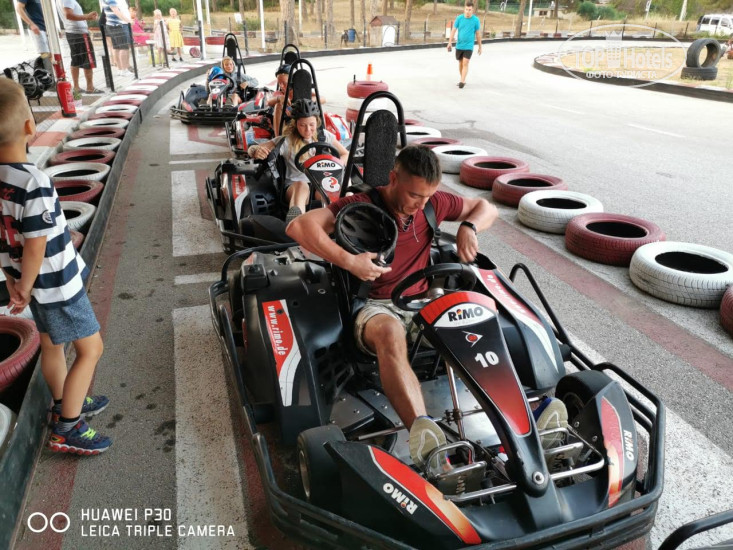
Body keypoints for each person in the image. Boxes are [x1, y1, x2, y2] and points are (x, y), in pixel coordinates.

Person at [287, 145, 568, 468]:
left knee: (475, 317)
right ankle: (426, 440)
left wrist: (468, 227)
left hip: (423, 301)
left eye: (427, 196)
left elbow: (484, 207)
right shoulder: (360, 205)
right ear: (394, 178)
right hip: (375, 306)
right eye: (414, 195)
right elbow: (299, 227)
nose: (421, 204)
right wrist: (349, 261)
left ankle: (525, 419)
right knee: (390, 332)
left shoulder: (433, 204)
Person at [0, 79, 112, 455]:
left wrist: (13, 281)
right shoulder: (33, 182)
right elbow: (36, 243)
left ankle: (65, 404)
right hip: (57, 284)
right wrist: (26, 284)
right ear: (29, 126)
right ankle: (69, 427)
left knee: (52, 344)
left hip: (30, 283)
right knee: (91, 349)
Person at [248, 98, 348, 225]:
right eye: (302, 125)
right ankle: (297, 223)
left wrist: (336, 167)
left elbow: (345, 154)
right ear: (295, 124)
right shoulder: (286, 141)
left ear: (317, 122)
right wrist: (255, 151)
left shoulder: (324, 136)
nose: (308, 130)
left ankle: (336, 222)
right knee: (302, 186)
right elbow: (254, 149)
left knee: (329, 188)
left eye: (311, 125)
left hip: (320, 182)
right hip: (294, 186)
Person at [56, 0, 103, 95]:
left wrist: (87, 17)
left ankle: (76, 87)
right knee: (87, 59)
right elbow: (68, 15)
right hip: (79, 32)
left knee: (75, 59)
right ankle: (90, 87)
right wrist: (87, 16)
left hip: (72, 32)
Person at [447, 2, 482, 89]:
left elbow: (478, 34)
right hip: (459, 45)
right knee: (460, 63)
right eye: (466, 9)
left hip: (469, 46)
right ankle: (462, 79)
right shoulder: (459, 18)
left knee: (465, 62)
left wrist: (480, 47)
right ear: (464, 9)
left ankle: (462, 81)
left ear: (472, 10)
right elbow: (453, 30)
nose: (467, 11)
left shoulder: (476, 20)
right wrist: (449, 42)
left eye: (469, 10)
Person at [15, 0, 52, 74]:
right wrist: (31, 24)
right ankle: (49, 76)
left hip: (48, 28)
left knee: (52, 55)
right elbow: (19, 8)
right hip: (38, 28)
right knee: (45, 55)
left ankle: (53, 76)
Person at [101, 0, 134, 77]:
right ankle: (124, 70)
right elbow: (115, 10)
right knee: (123, 48)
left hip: (112, 25)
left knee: (117, 48)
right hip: (116, 25)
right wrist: (128, 20)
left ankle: (120, 69)